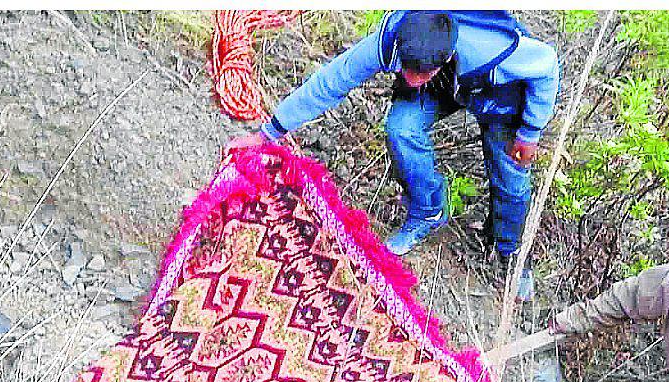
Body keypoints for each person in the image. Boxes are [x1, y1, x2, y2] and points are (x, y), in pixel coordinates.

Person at [227, 11, 559, 273]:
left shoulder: (493, 49)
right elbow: (330, 82)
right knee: (402, 128)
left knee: (511, 179)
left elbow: (547, 67)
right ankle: (428, 211)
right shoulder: (390, 39)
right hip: (446, 85)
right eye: (407, 69)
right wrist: (266, 134)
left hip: (499, 94)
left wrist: (530, 131)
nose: (411, 79)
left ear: (442, 61)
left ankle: (509, 253)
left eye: (421, 72)